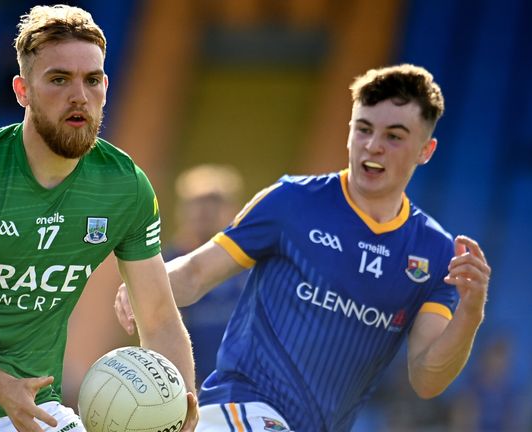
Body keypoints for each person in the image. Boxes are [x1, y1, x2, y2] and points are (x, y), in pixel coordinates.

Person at [115, 64, 491, 431]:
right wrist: (146, 285)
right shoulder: (291, 201)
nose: (373, 146)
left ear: (426, 150)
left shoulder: (437, 254)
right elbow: (196, 272)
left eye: (394, 136)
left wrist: (470, 313)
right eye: (363, 130)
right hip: (237, 408)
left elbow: (427, 379)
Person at [0, 5, 198, 432]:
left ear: (106, 85)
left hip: (34, 409)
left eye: (91, 80)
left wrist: (180, 401)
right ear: (22, 90)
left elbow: (158, 316)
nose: (79, 96)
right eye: (59, 79)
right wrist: (0, 387)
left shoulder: (126, 188)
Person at [166, 164, 248, 388]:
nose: (203, 211)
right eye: (196, 202)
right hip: (188, 386)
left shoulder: (249, 263)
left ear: (233, 209)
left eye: (214, 202)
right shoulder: (166, 265)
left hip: (241, 384)